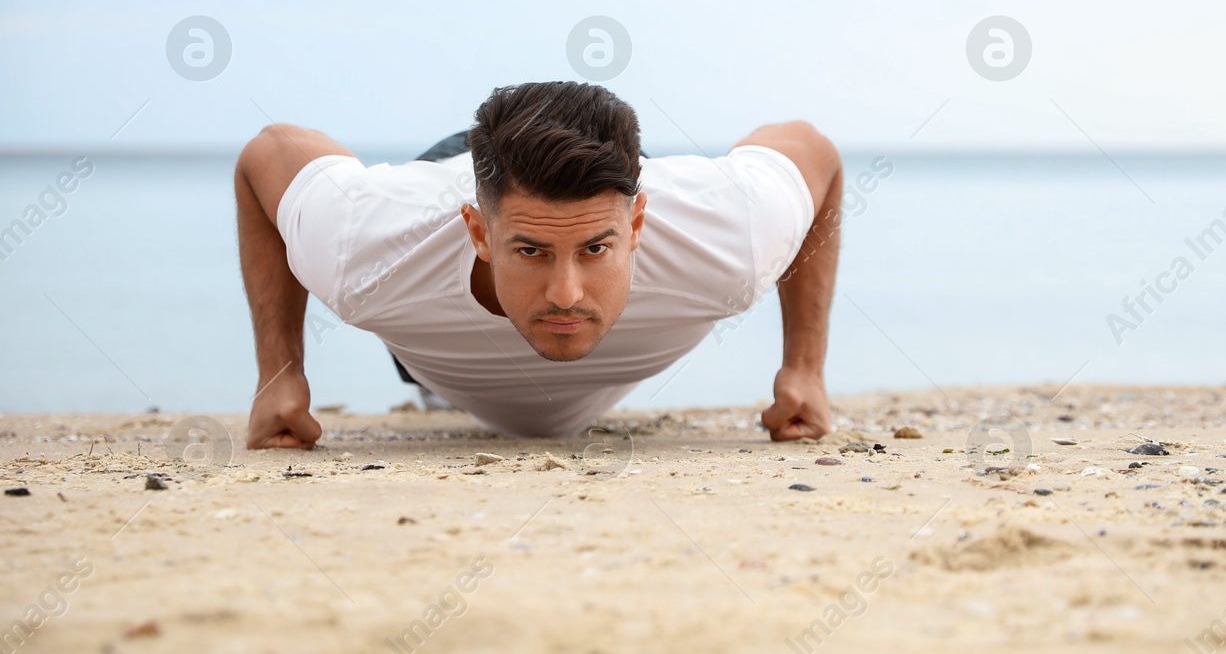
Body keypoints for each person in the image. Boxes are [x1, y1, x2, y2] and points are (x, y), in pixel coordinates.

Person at [233, 81, 841, 449]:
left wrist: (805, 367)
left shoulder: (729, 241)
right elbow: (270, 151)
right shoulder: (365, 250)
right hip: (441, 210)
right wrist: (278, 374)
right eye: (532, 252)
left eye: (596, 250)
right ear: (479, 234)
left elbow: (813, 150)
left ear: (635, 227)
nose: (567, 293)